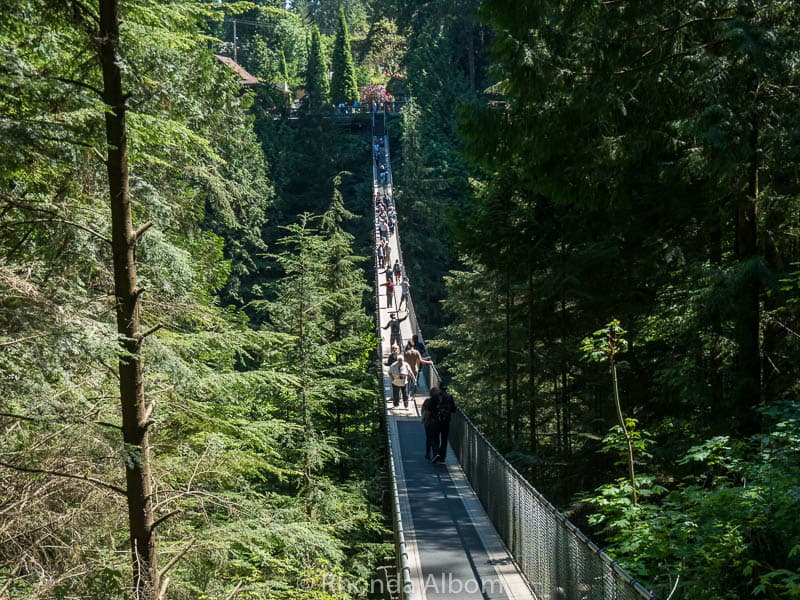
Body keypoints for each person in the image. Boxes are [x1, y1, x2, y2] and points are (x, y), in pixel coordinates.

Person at [431, 382, 456, 463]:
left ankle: (436, 453)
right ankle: (442, 458)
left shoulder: (434, 396)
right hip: (446, 421)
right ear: (446, 388)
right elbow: (453, 410)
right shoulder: (450, 396)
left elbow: (431, 408)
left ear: (439, 388)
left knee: (435, 438)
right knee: (444, 439)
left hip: (436, 420)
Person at [420, 387, 441, 460]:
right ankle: (436, 453)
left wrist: (425, 421)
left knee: (429, 438)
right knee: (437, 437)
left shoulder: (427, 401)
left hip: (429, 422)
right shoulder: (440, 402)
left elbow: (424, 411)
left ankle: (429, 454)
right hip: (438, 422)